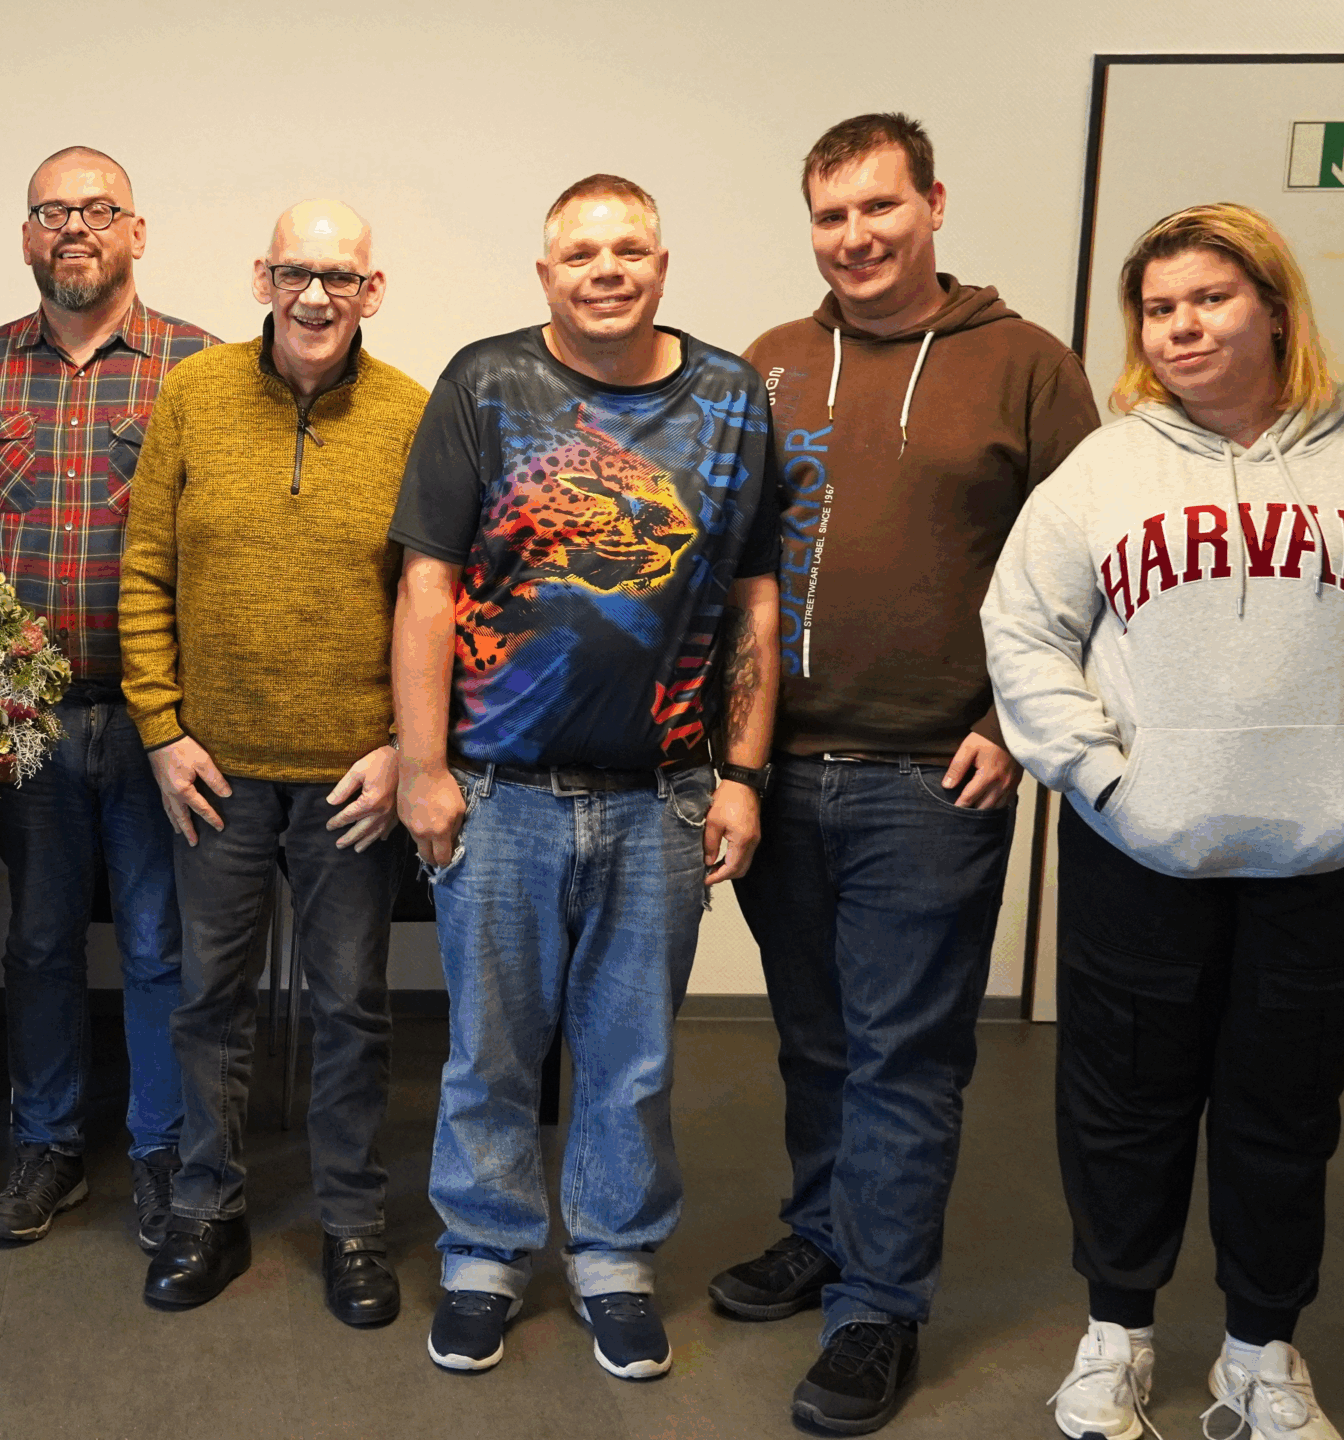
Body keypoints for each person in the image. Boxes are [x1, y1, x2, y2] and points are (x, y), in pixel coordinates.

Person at [985, 203, 1344, 1440]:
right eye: (1156, 308)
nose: (1179, 327)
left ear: (1275, 309)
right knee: (1122, 1103)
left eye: (1209, 298)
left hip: (1328, 852)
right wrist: (1101, 781)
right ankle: (1115, 1336)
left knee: (1284, 1109)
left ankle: (1260, 1352)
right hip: (1139, 850)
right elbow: (1021, 630)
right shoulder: (1106, 468)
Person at [709, 114, 1100, 1434]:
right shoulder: (769, 362)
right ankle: (825, 1232)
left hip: (933, 776)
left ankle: (877, 1306)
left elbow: (1085, 565)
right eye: (830, 216)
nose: (856, 237)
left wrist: (1013, 718)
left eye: (879, 207)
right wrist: (729, 757)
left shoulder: (1025, 365)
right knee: (816, 1038)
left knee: (902, 1056)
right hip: (780, 770)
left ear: (933, 202)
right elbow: (731, 569)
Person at [390, 174, 780, 1381]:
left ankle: (613, 1259)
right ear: (544, 272)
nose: (605, 270)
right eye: (580, 254)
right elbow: (426, 583)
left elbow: (752, 595)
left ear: (661, 262)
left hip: (662, 792)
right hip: (499, 786)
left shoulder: (730, 398)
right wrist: (421, 766)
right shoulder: (484, 383)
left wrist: (743, 772)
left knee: (633, 1054)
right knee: (489, 1052)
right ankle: (484, 1256)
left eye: (628, 250)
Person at [120, 200, 427, 1326]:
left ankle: (352, 1223)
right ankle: (208, 1206)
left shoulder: (412, 413)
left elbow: (436, 596)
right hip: (216, 774)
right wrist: (161, 730)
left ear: (372, 290)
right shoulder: (193, 394)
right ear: (262, 278)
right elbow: (144, 568)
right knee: (209, 1004)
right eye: (296, 272)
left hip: (355, 782)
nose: (315, 295)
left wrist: (404, 750)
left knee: (351, 1009)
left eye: (339, 277)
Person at [0, 146, 216, 1251]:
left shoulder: (201, 367)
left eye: (99, 209)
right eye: (52, 212)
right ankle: (46, 1146)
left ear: (137, 232)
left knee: (157, 944)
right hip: (27, 720)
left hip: (158, 719)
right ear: (25, 237)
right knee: (40, 943)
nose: (75, 229)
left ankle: (159, 1151)